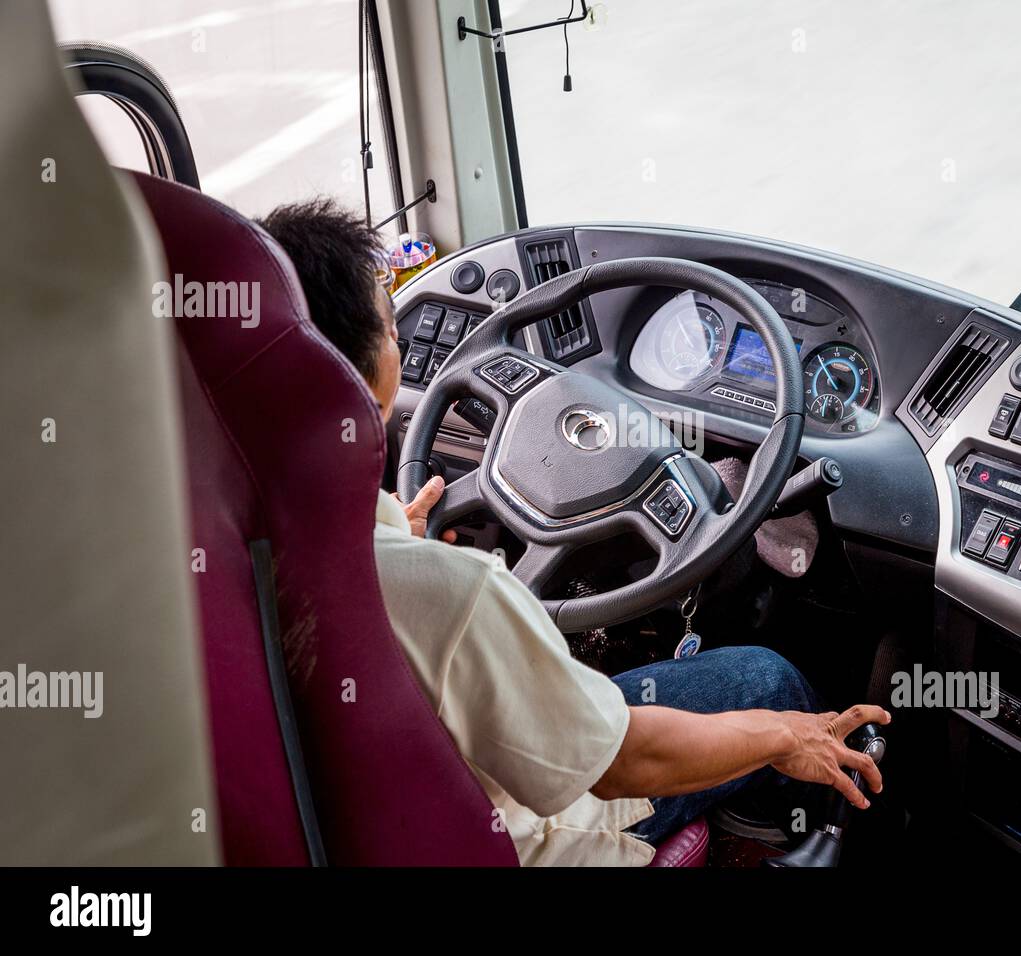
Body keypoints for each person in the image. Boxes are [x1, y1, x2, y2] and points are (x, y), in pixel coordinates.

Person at [258, 200, 888, 866]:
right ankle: (758, 844)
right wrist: (784, 738)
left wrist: (391, 539)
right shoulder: (453, 594)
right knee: (769, 686)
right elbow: (622, 761)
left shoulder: (223, 536)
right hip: (536, 838)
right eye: (391, 327)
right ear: (355, 377)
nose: (404, 347)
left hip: (384, 823)